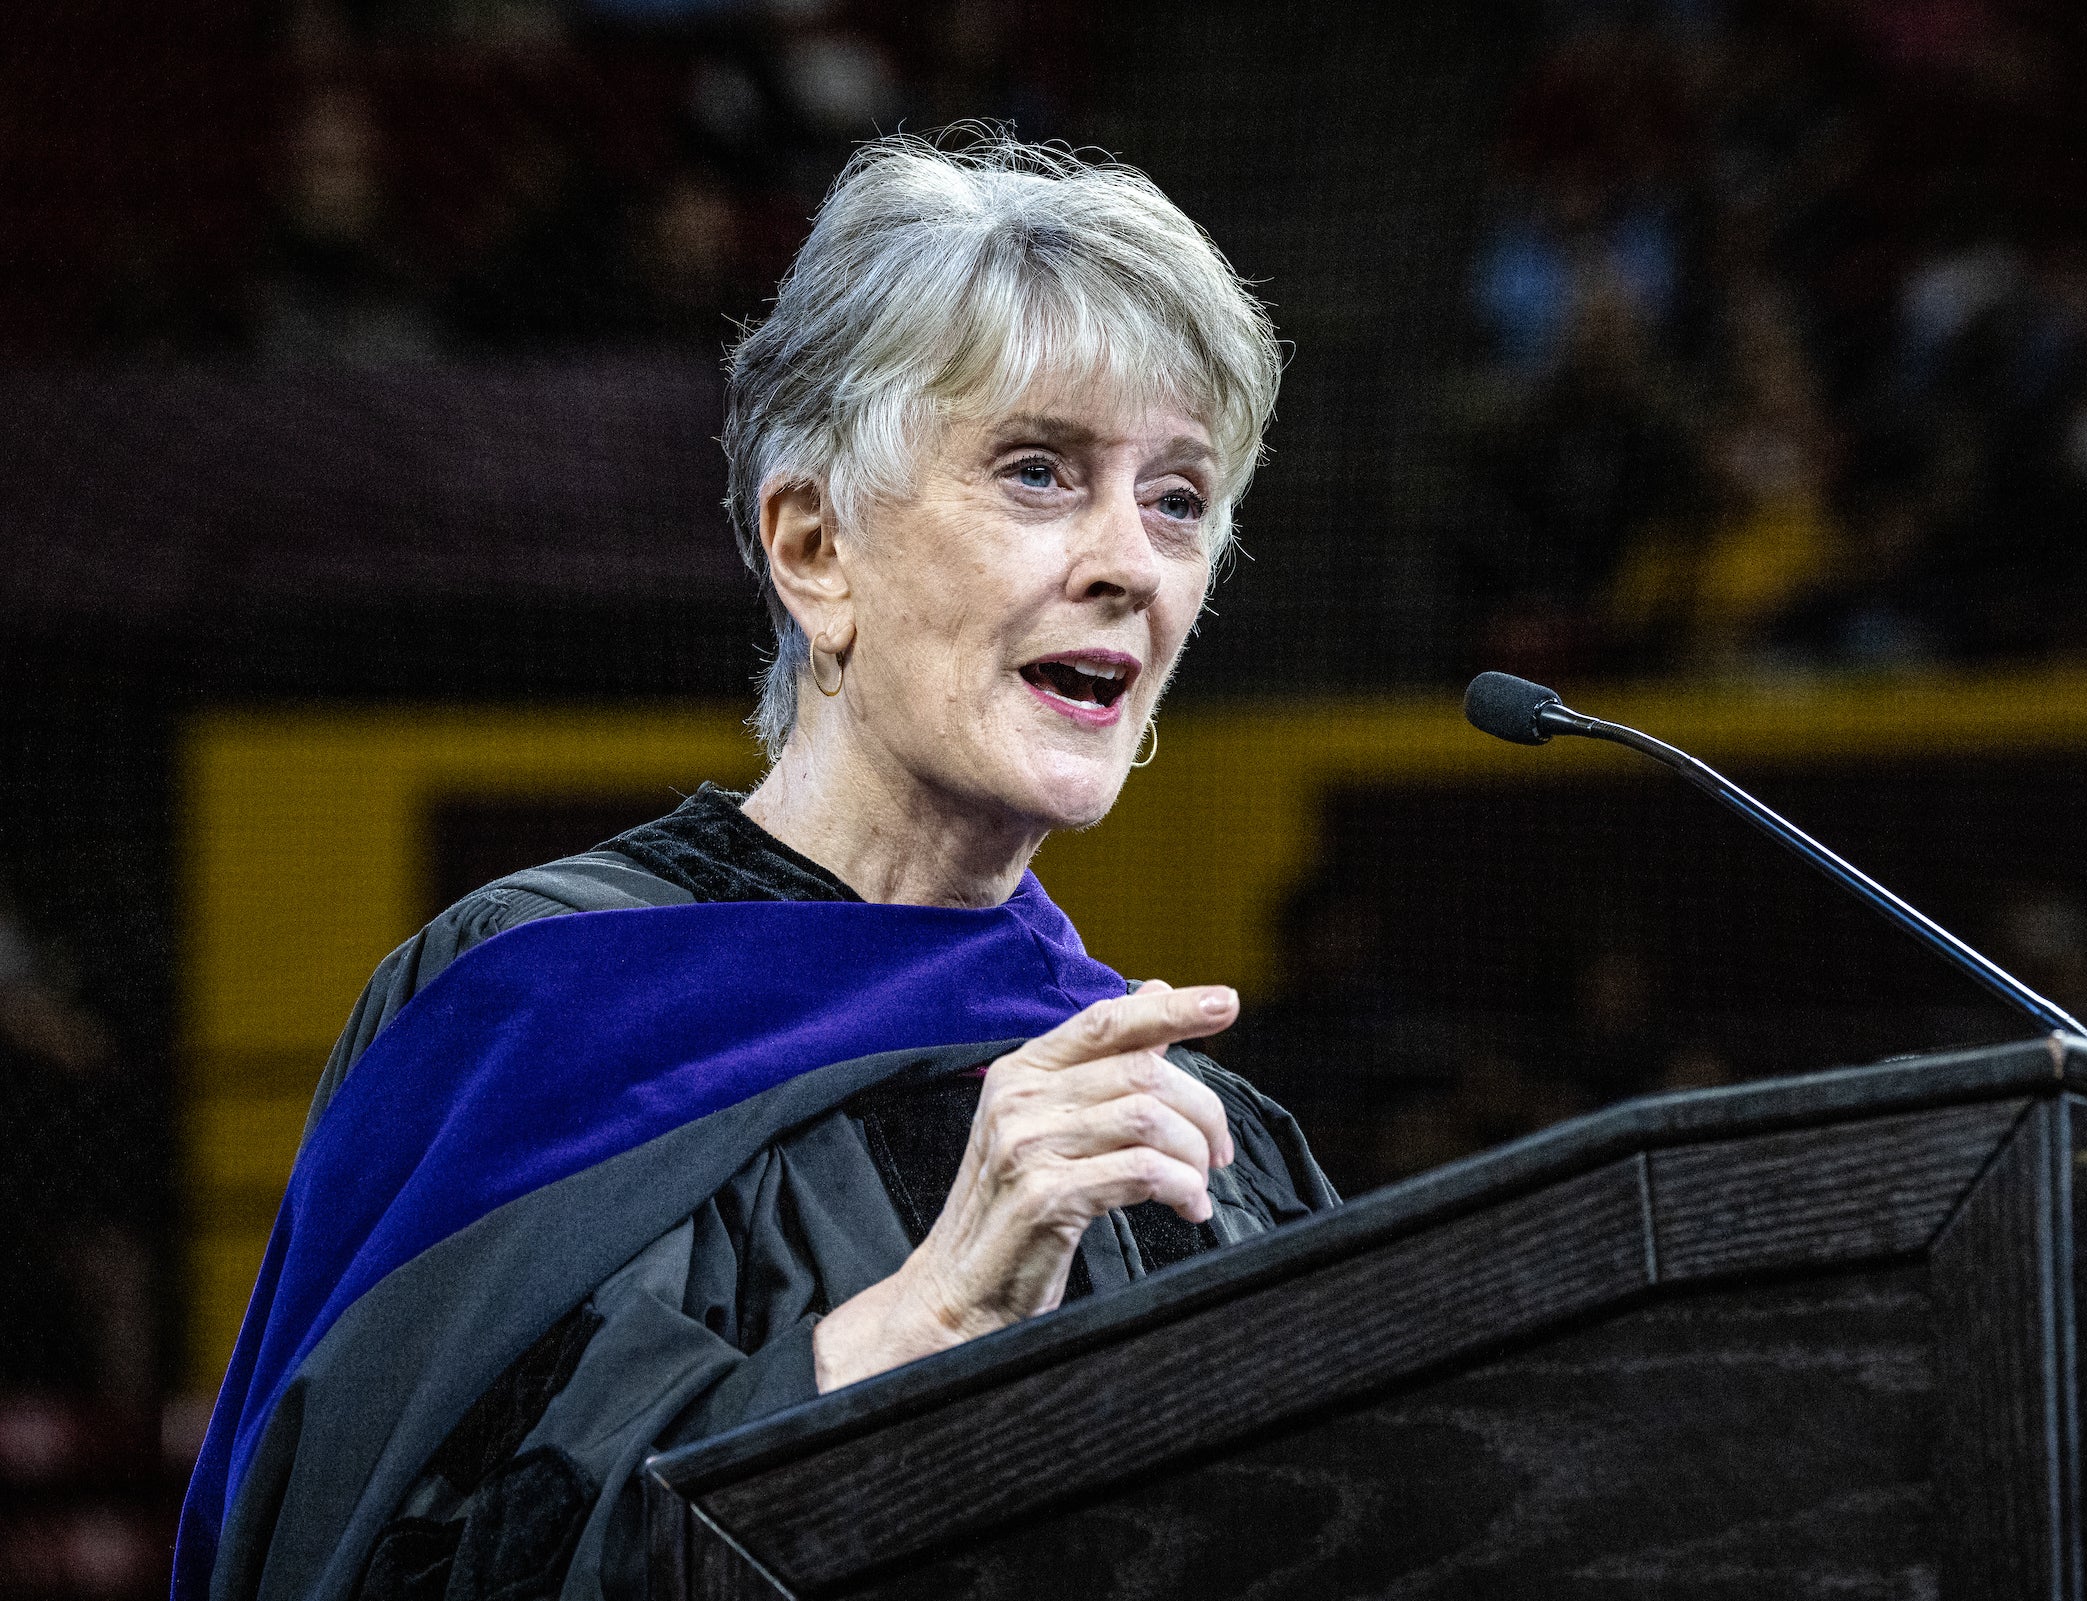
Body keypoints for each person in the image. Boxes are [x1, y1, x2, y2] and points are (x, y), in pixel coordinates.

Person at [175, 131, 1329, 1601]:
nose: (1133, 561)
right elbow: (380, 1569)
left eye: (1178, 498)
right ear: (813, 546)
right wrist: (923, 1325)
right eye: (1040, 472)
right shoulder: (532, 1016)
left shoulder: (1192, 1140)